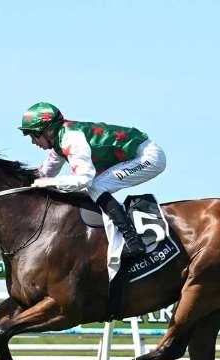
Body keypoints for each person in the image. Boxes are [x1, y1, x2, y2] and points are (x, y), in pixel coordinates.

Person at [18, 102, 166, 258]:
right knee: (92, 187)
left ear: (49, 130)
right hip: (134, 157)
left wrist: (50, 183)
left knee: (95, 186)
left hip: (148, 157)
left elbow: (83, 180)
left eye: (34, 135)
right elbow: (43, 174)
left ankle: (133, 241)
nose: (33, 142)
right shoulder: (59, 142)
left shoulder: (71, 138)